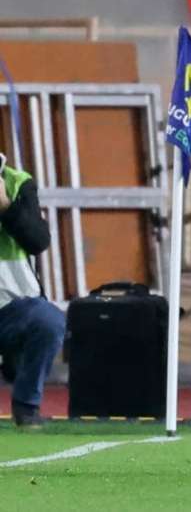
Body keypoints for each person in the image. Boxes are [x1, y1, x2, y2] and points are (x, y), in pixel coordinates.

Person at [0, 153, 65, 426]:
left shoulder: (17, 182)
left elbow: (38, 241)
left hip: (11, 310)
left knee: (48, 320)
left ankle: (26, 407)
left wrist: (5, 206)